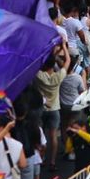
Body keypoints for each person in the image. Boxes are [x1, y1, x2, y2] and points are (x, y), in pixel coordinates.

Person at [34, 40, 70, 171]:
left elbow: (35, 62)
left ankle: (41, 158)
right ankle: (53, 161)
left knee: (41, 134)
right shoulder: (58, 76)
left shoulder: (39, 75)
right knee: (53, 136)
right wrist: (64, 47)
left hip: (41, 109)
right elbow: (67, 62)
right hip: (55, 108)